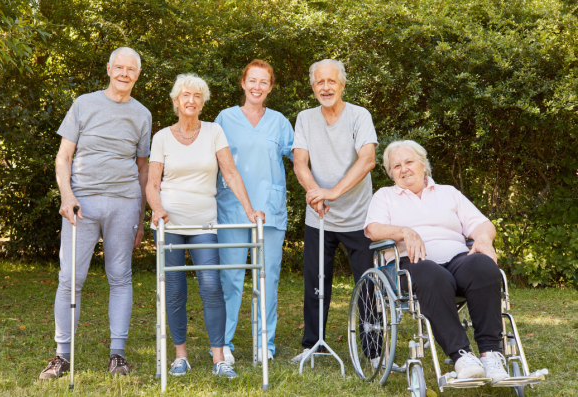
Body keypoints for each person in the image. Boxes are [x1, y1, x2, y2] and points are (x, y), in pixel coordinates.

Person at [39, 47, 151, 380]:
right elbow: (63, 157)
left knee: (120, 277)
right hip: (81, 205)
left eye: (131, 69)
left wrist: (141, 218)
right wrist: (67, 195)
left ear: (137, 75)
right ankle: (62, 356)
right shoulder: (83, 104)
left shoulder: (142, 114)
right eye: (119, 67)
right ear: (108, 69)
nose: (124, 73)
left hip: (124, 203)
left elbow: (143, 169)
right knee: (70, 279)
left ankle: (118, 354)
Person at [146, 73, 264, 378]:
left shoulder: (213, 132)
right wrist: (157, 209)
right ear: (176, 100)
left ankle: (218, 357)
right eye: (185, 95)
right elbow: (151, 184)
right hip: (170, 226)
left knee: (212, 288)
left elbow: (231, 173)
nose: (191, 100)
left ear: (203, 102)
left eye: (197, 96)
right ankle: (180, 356)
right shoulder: (161, 137)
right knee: (174, 291)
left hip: (205, 225)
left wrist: (249, 210)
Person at [364, 139, 509, 383]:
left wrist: (483, 238)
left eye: (409, 162)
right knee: (433, 275)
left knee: (483, 266)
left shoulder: (448, 193)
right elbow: (373, 229)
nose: (404, 169)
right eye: (396, 166)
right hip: (412, 263)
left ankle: (491, 354)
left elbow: (481, 223)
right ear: (391, 173)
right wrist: (405, 232)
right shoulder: (385, 196)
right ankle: (461, 355)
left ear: (423, 164)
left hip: (456, 258)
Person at [290, 59, 378, 363]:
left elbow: (367, 160)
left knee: (368, 283)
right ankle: (312, 347)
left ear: (341, 85)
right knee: (315, 283)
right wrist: (316, 194)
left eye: (331, 82)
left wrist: (332, 193)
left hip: (359, 217)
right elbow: (300, 162)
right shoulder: (305, 118)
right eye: (319, 82)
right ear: (313, 87)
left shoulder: (359, 115)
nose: (325, 87)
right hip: (320, 217)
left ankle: (373, 351)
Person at [215, 60, 294, 364]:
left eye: (264, 82)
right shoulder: (225, 118)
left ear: (270, 87)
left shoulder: (279, 122)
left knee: (267, 278)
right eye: (252, 80)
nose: (257, 87)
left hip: (269, 212)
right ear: (243, 83)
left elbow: (298, 158)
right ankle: (225, 345)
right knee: (231, 279)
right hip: (232, 209)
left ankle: (265, 344)